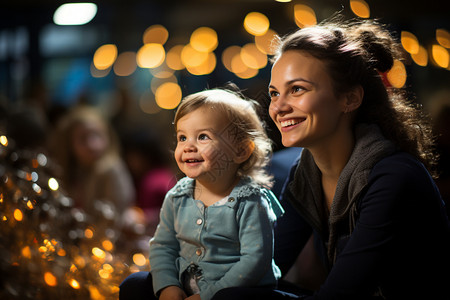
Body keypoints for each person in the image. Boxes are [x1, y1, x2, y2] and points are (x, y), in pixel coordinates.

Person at [213, 17, 450, 299]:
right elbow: (266, 267)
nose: (278, 107)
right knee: (153, 283)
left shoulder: (393, 176)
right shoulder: (307, 172)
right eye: (275, 93)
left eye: (297, 89)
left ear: (349, 99)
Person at [119, 88, 284, 300]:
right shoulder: (177, 196)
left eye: (203, 137)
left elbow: (255, 260)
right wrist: (168, 286)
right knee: (134, 284)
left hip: (239, 290)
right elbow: (163, 246)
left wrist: (208, 295)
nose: (188, 146)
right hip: (186, 288)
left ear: (241, 151)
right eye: (182, 137)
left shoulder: (250, 200)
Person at [51, 105, 135, 228]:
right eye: (83, 138)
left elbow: (115, 220)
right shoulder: (73, 171)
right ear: (69, 143)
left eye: (97, 135)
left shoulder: (111, 170)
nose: (92, 145)